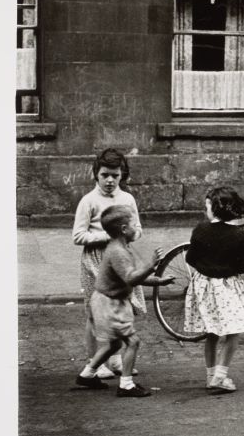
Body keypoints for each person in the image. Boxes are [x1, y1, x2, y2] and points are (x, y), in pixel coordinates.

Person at [74, 205, 174, 396]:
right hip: (110, 304)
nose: (137, 228)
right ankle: (126, 385)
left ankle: (87, 374)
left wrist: (158, 281)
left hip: (106, 301)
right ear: (123, 229)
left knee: (114, 344)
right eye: (133, 224)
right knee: (133, 342)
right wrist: (151, 266)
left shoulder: (118, 248)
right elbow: (130, 278)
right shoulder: (118, 252)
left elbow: (131, 276)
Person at [184, 187, 244, 394]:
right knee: (233, 331)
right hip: (226, 287)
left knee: (211, 332)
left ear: (214, 209)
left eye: (207, 207)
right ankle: (220, 376)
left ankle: (210, 375)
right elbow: (243, 267)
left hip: (204, 285)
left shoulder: (200, 230)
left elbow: (190, 259)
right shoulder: (239, 235)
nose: (206, 211)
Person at [73, 148, 145, 380]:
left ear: (122, 175)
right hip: (95, 260)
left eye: (115, 175)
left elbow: (138, 228)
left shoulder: (127, 199)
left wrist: (130, 235)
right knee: (95, 311)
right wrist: (107, 236)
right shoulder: (89, 201)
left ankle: (114, 358)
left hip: (122, 258)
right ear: (96, 174)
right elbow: (78, 235)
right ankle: (95, 360)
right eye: (105, 175)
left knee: (120, 307)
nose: (110, 180)